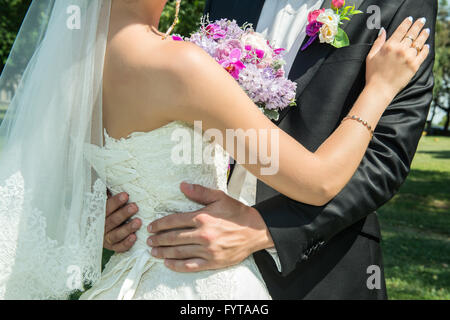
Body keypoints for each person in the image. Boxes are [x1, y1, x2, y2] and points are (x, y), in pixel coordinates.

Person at [92, 0, 433, 300]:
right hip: (180, 259)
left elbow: (387, 156)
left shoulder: (402, 4)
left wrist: (265, 228)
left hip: (320, 272)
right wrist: (117, 206)